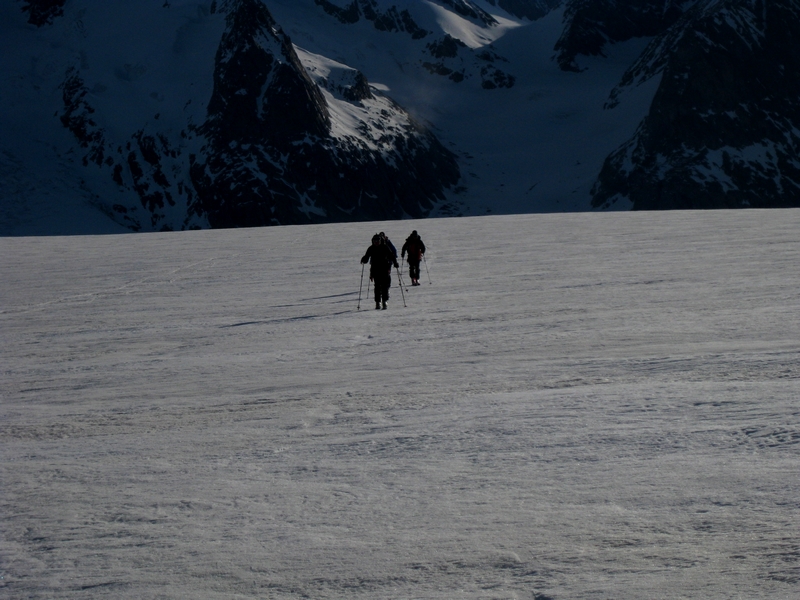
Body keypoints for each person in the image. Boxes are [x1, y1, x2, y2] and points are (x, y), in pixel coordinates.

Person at [361, 234, 399, 309]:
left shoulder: (385, 247)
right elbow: (367, 256)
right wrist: (364, 260)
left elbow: (391, 255)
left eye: (378, 241)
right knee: (377, 286)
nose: (376, 242)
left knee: (385, 286)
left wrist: (395, 263)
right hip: (375, 270)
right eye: (375, 241)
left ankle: (384, 301)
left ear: (380, 240)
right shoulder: (371, 248)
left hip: (384, 269)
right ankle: (378, 302)